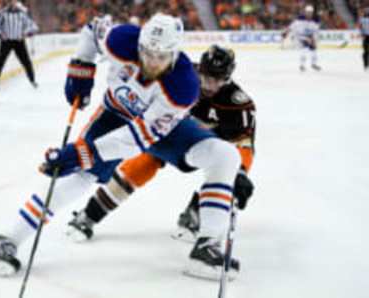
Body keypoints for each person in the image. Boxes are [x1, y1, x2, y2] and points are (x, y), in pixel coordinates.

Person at [0, 13, 241, 280]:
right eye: (147, 52)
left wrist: (85, 152)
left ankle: (206, 248)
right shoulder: (121, 39)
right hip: (113, 116)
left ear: (174, 53)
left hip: (159, 129)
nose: (152, 61)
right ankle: (8, 240)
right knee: (77, 177)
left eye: (161, 56)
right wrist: (81, 67)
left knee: (225, 156)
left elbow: (135, 138)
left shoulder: (184, 86)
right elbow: (92, 30)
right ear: (140, 43)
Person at [66, 45, 256, 244]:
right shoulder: (181, 75)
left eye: (216, 80)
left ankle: (197, 213)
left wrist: (241, 172)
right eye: (206, 76)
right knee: (141, 165)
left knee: (223, 169)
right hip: (167, 132)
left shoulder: (238, 104)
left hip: (205, 146)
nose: (208, 85)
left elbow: (244, 144)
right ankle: (90, 214)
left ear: (228, 78)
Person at [0, 0, 38, 88]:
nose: (13, 3)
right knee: (0, 62)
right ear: (8, 2)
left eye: (14, 1)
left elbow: (33, 26)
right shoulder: (3, 13)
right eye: (11, 1)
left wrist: (25, 33)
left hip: (19, 42)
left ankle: (32, 80)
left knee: (26, 62)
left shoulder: (22, 14)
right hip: (6, 41)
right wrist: (1, 33)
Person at [282, 5, 321, 72]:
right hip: (300, 36)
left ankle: (313, 64)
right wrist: (286, 32)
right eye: (308, 12)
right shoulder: (300, 19)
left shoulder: (316, 20)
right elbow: (292, 26)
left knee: (313, 49)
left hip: (309, 36)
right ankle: (302, 65)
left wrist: (313, 39)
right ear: (305, 12)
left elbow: (315, 31)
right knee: (305, 49)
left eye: (310, 12)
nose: (309, 14)